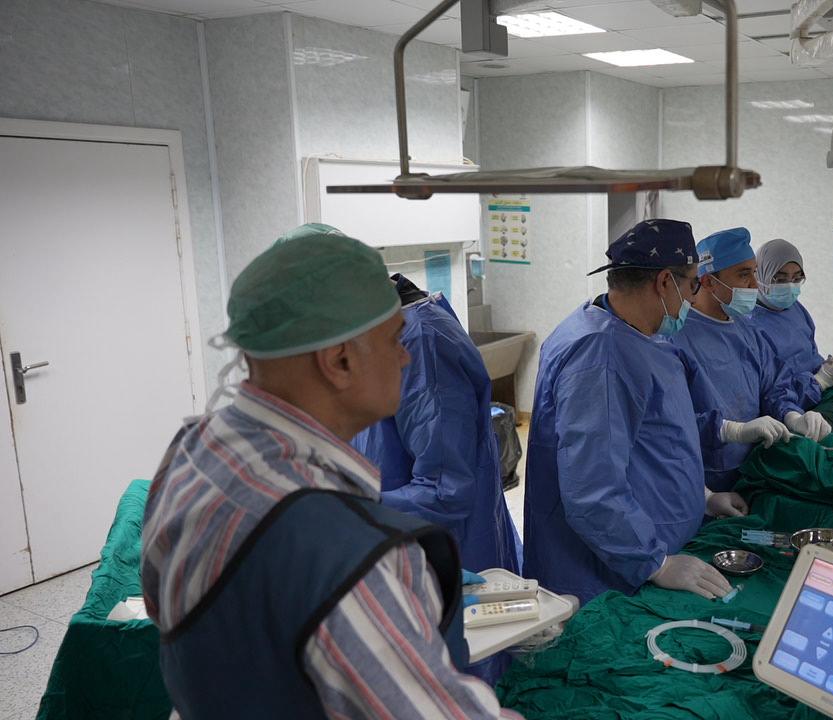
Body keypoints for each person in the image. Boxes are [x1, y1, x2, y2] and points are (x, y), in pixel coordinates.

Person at [141, 224, 517, 719]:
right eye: (394, 339)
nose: (406, 355)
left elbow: (167, 607)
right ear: (339, 360)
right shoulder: (353, 558)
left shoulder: (192, 448)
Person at [523, 219, 765, 605]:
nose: (692, 299)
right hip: (609, 571)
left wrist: (702, 496)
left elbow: (658, 435)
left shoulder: (640, 335)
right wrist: (655, 563)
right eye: (692, 285)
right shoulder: (600, 356)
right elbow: (591, 489)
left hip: (648, 544)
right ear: (665, 282)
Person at [352, 274, 521, 576]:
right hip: (396, 543)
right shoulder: (380, 333)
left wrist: (352, 509)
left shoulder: (421, 342)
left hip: (441, 553)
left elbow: (445, 489)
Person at [673, 227, 832, 492]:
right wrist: (734, 431)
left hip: (754, 467)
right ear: (709, 282)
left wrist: (793, 416)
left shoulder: (745, 329)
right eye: (744, 275)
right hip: (702, 479)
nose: (755, 286)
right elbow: (671, 420)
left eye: (755, 273)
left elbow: (773, 386)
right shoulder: (675, 339)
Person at [746, 238, 833, 403]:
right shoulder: (749, 327)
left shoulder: (796, 309)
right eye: (780, 279)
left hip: (818, 396)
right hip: (788, 411)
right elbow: (769, 395)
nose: (790, 286)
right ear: (758, 276)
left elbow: (809, 355)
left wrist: (829, 368)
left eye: (797, 279)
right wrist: (820, 381)